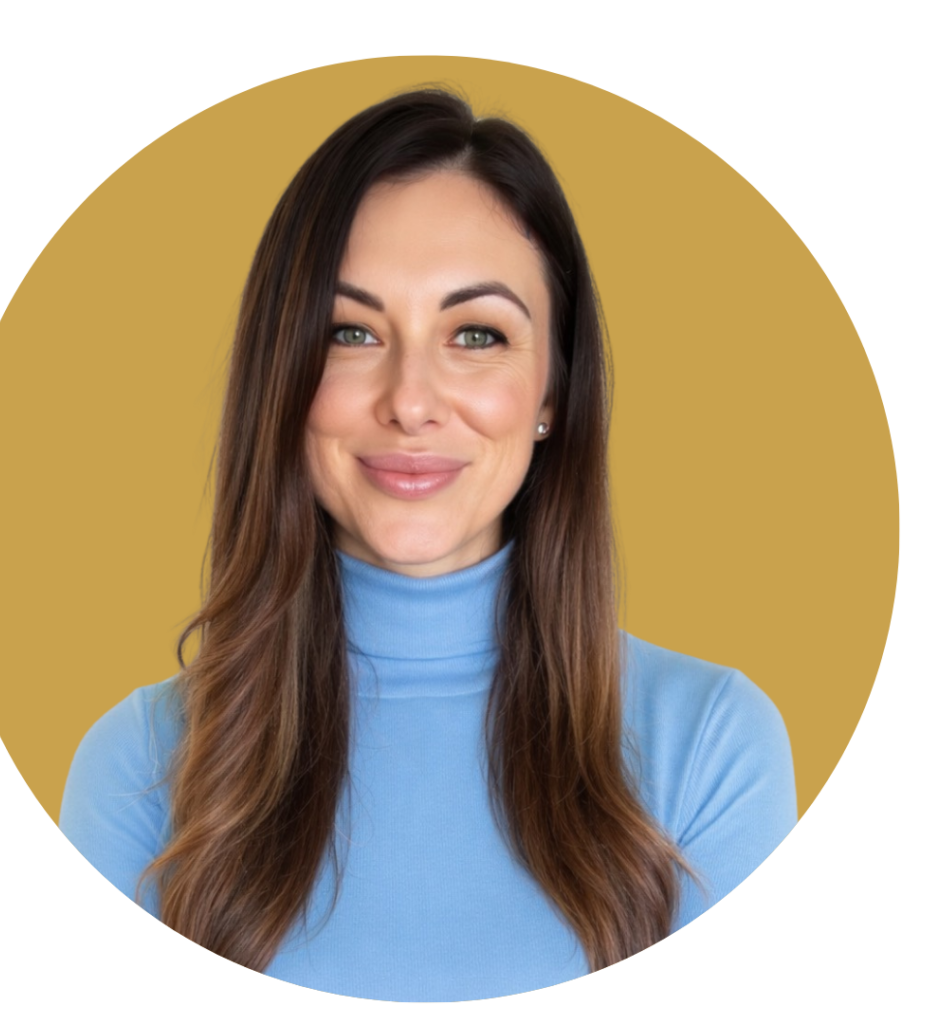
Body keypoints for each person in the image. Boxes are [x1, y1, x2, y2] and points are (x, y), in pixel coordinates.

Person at [59, 89, 797, 1001]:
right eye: (351, 332)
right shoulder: (138, 767)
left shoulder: (711, 746)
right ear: (284, 379)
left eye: (476, 334)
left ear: (552, 393)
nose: (410, 401)